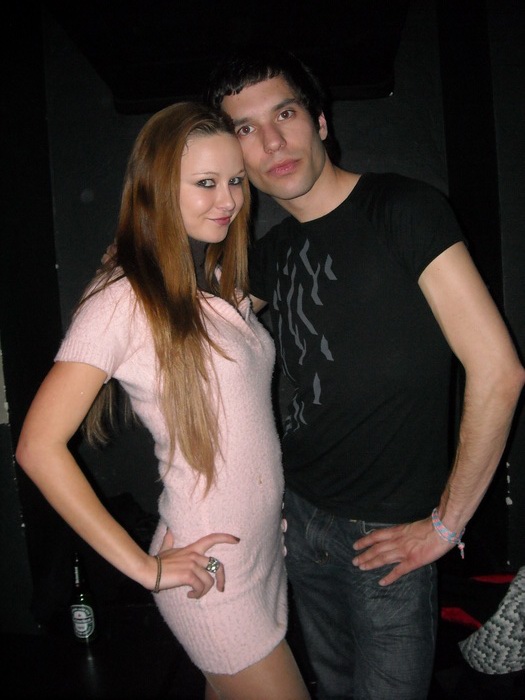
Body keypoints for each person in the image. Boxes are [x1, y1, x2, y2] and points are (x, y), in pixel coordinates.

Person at [205, 48, 525, 699]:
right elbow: (191, 335)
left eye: (284, 114)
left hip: (389, 539)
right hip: (298, 518)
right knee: (329, 687)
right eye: (245, 129)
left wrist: (447, 524)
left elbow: (498, 371)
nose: (271, 142)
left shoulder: (402, 208)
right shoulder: (270, 253)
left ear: (320, 121)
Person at [16, 102, 311, 700]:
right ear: (155, 188)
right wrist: (145, 569)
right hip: (212, 576)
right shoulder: (123, 300)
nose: (228, 200)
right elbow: (37, 447)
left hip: (259, 557)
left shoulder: (211, 285)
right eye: (205, 183)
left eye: (235, 180)